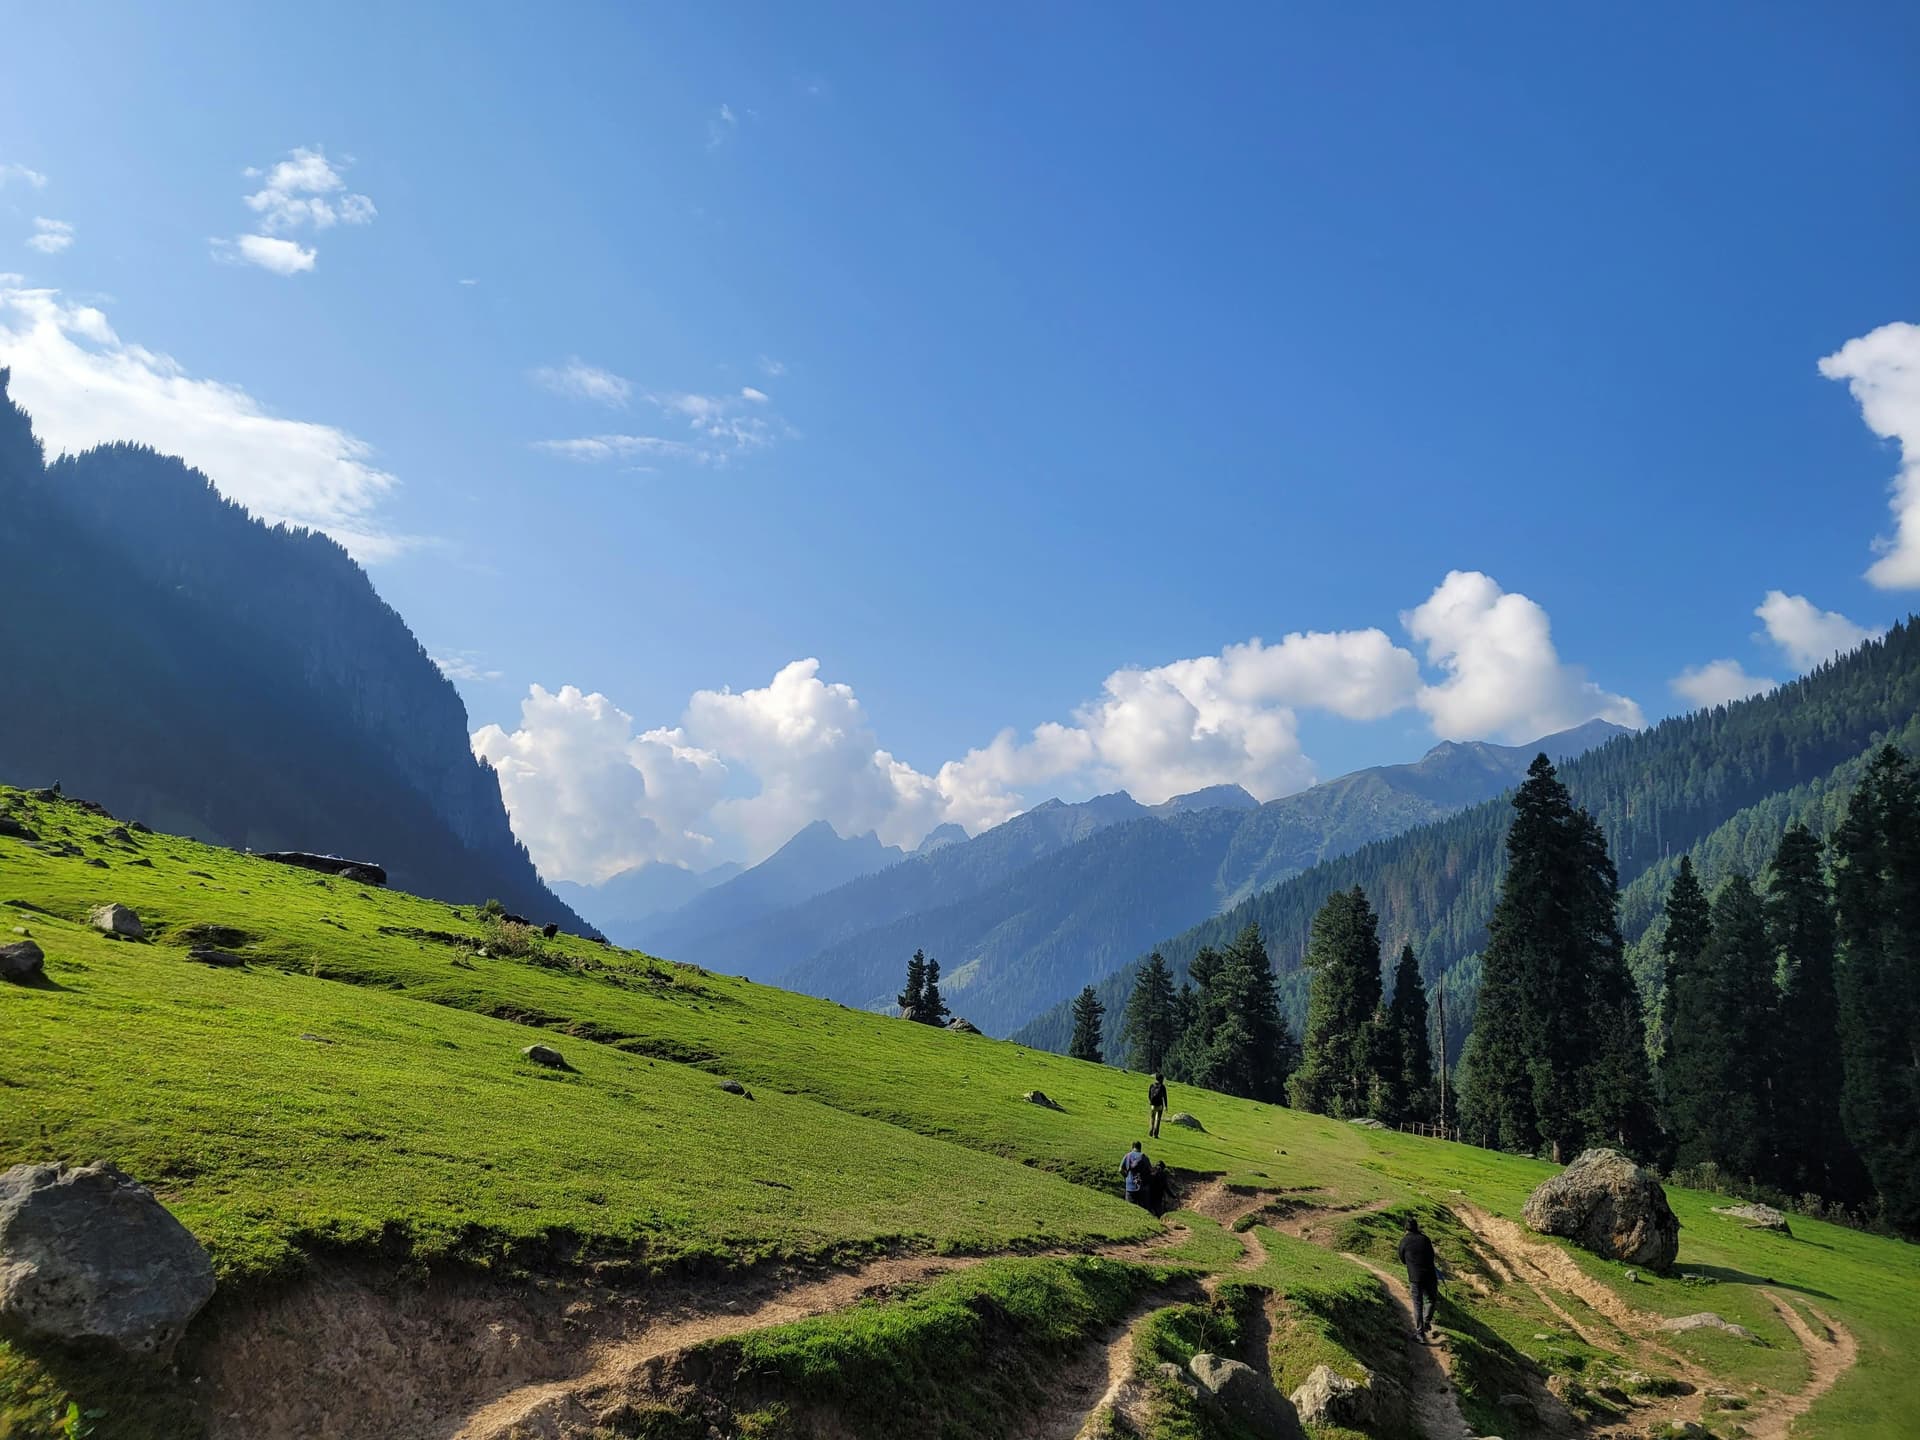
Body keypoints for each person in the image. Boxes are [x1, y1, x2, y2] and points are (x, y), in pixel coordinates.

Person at [1396, 1215, 1440, 1340]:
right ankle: (1426, 1322)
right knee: (1431, 1300)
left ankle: (1420, 1333)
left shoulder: (1404, 1241)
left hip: (1415, 1277)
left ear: (1406, 1229)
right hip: (1430, 1275)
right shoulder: (1425, 1239)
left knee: (1418, 1304)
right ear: (1417, 1228)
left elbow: (1402, 1259)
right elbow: (1432, 1256)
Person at [1121, 1141, 1151, 1207]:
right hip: (1142, 1186)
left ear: (1132, 1147)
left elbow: (1120, 1169)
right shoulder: (1145, 1157)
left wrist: (1126, 1176)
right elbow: (1150, 1171)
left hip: (1130, 1185)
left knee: (1130, 1207)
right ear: (1140, 1148)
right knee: (1142, 1208)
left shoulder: (1128, 1156)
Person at [1147, 1072, 1168, 1138]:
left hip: (1153, 1105)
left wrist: (1151, 1102)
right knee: (1158, 1119)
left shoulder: (1152, 1085)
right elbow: (1165, 1097)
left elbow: (1149, 1095)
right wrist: (1166, 1106)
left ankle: (1150, 1131)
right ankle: (1155, 1134)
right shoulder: (1162, 1087)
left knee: (1152, 1118)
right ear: (1161, 1079)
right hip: (1160, 1105)